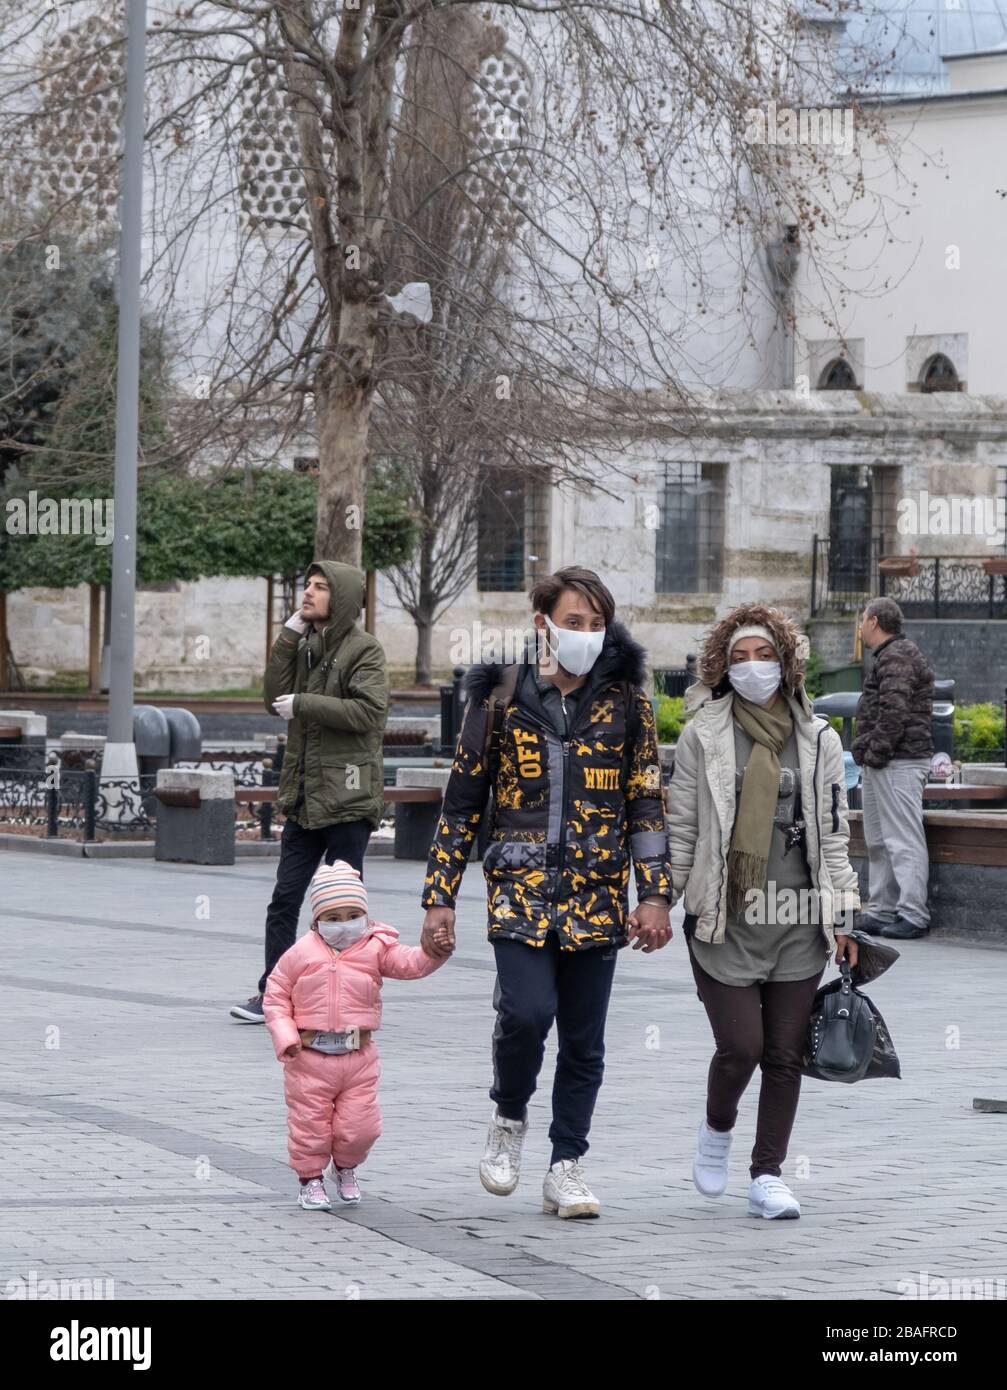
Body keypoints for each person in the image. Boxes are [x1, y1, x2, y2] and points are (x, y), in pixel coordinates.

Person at [419, 567, 672, 1219]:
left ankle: (566, 1164)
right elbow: (460, 806)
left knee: (584, 1040)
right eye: (572, 621)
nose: (584, 634)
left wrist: (654, 895)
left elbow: (643, 802)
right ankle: (507, 1116)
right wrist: (438, 897)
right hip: (520, 892)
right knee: (526, 1015)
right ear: (543, 624)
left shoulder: (626, 704)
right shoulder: (499, 699)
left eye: (595, 625)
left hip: (596, 896)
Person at [666, 604, 860, 1221]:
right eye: (740, 658)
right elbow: (682, 828)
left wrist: (844, 916)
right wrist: (655, 901)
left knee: (784, 1053)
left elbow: (834, 833)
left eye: (765, 656)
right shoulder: (703, 733)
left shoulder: (820, 738)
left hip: (799, 919)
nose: (753, 668)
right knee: (741, 1047)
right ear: (723, 667)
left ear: (787, 662)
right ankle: (716, 1129)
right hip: (725, 918)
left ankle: (767, 1173)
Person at [230, 560, 389, 1023]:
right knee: (284, 899)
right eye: (307, 586)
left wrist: (304, 703)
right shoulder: (305, 646)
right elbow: (271, 699)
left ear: (339, 599)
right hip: (304, 799)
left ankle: (348, 1000)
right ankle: (274, 995)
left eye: (320, 588)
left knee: (344, 910)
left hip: (347, 799)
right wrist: (287, 637)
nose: (308, 593)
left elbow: (368, 713)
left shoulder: (366, 650)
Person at [263, 861, 450, 1209]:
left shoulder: (376, 947)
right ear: (316, 921)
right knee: (310, 1126)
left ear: (365, 915)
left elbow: (411, 963)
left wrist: (434, 952)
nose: (344, 925)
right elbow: (275, 995)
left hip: (358, 1057)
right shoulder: (300, 953)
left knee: (361, 1126)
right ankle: (311, 1179)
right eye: (333, 918)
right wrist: (285, 1036)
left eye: (352, 915)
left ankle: (346, 1167)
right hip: (309, 1058)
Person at [853, 597, 935, 941]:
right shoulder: (890, 655)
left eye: (861, 621)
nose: (859, 628)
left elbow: (894, 711)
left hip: (898, 762)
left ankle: (913, 913)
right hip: (884, 762)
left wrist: (873, 752)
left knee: (902, 838)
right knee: (879, 840)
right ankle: (882, 908)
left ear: (873, 621)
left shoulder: (898, 655)